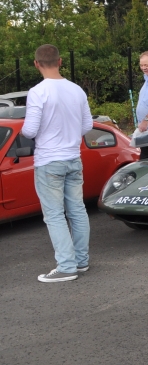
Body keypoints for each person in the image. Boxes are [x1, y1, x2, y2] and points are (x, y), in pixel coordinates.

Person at [21, 44, 93, 283]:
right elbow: (87, 125)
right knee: (77, 210)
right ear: (60, 61)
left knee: (54, 215)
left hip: (49, 160)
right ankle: (81, 261)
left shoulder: (37, 92)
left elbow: (30, 130)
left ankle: (66, 266)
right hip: (73, 157)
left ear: (36, 64)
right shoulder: (77, 90)